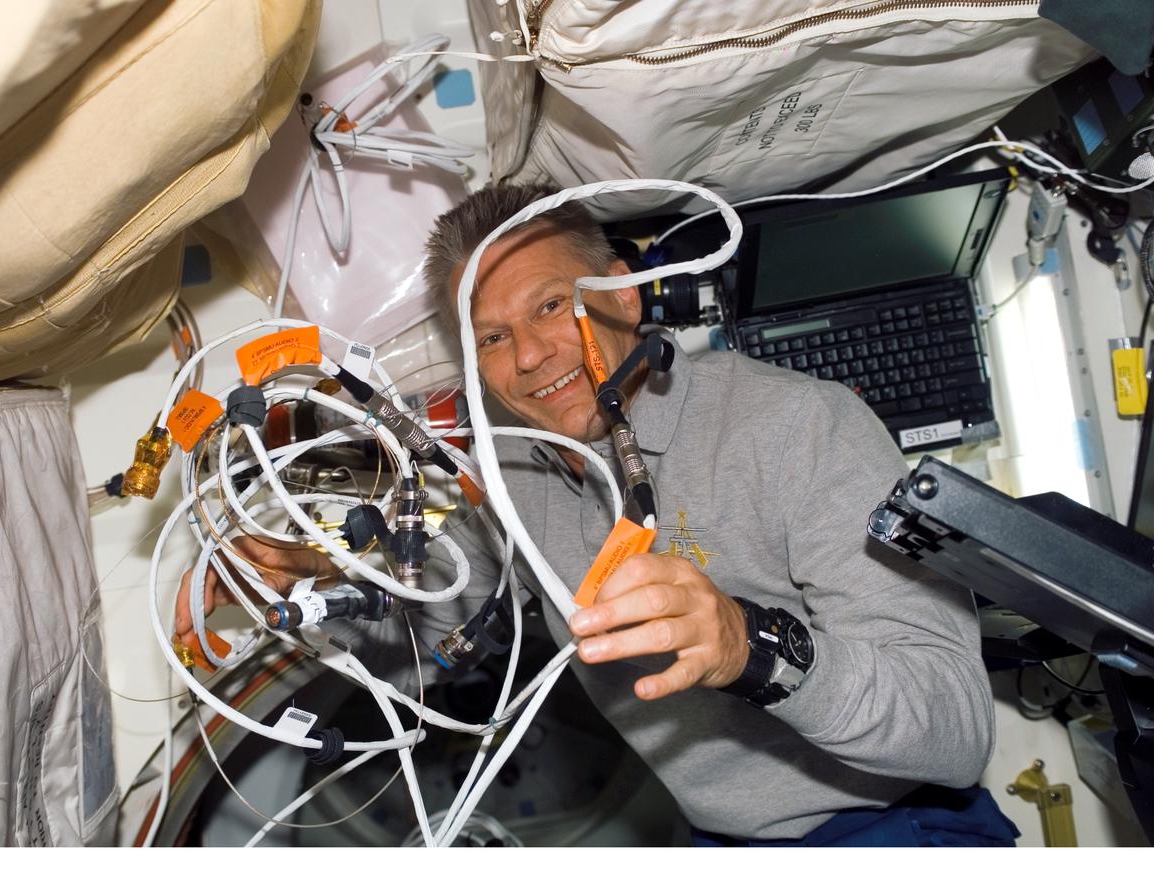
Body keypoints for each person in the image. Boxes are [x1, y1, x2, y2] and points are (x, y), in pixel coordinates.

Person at [175, 184, 1019, 846]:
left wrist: (751, 645)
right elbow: (432, 630)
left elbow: (955, 729)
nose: (529, 355)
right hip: (722, 836)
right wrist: (321, 583)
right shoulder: (518, 475)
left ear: (624, 294)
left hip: (893, 824)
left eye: (551, 305)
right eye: (491, 338)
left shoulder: (800, 428)